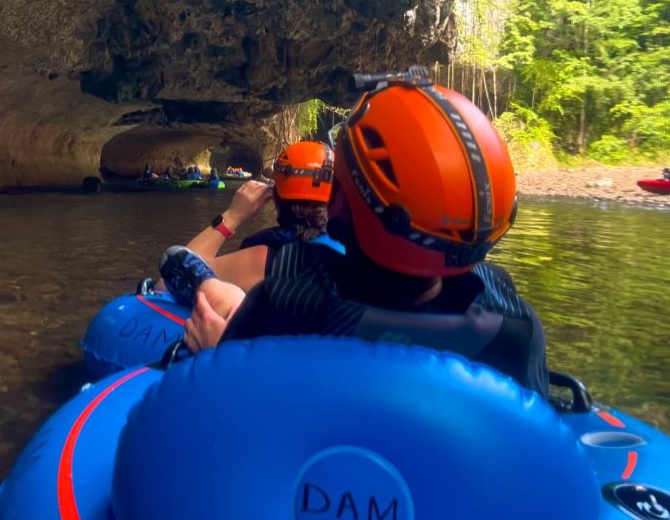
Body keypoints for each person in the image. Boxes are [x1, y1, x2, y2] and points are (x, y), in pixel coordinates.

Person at [177, 68, 548, 397]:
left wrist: (219, 355)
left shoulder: (287, 304)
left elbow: (236, 417)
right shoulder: (515, 326)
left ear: (337, 205)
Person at [157, 142, 337, 316]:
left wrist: (233, 215)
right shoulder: (353, 246)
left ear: (275, 195)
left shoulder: (266, 259)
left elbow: (169, 282)